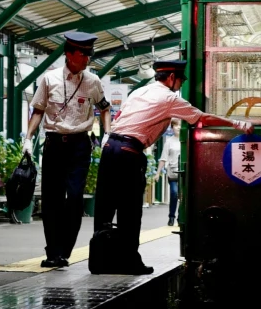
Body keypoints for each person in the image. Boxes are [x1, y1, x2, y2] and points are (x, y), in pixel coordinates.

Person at [90, 53, 252, 274]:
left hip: (110, 149)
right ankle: (129, 261)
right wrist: (236, 123)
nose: (182, 84)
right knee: (130, 210)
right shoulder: (169, 98)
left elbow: (119, 119)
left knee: (105, 206)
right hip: (129, 151)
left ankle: (99, 261)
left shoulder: (140, 91)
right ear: (172, 77)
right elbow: (201, 118)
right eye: (181, 80)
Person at [25, 31, 107, 269]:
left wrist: (107, 133)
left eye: (89, 54)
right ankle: (53, 252)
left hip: (79, 146)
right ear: (69, 54)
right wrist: (28, 138)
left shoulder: (93, 81)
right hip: (53, 145)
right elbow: (38, 110)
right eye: (83, 54)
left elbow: (105, 107)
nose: (87, 59)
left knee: (74, 198)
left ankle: (65, 251)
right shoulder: (49, 79)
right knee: (51, 199)